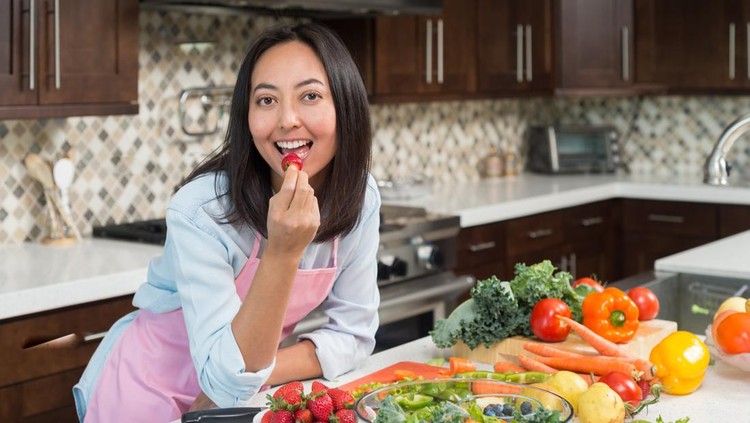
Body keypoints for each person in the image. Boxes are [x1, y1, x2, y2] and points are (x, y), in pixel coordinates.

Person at [73, 22, 380, 422]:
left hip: (240, 395)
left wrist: (251, 375)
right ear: (246, 116)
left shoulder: (360, 197)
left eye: (310, 96)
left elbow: (353, 336)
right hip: (144, 391)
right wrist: (283, 251)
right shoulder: (201, 211)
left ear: (346, 106)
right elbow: (228, 377)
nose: (287, 120)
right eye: (266, 100)